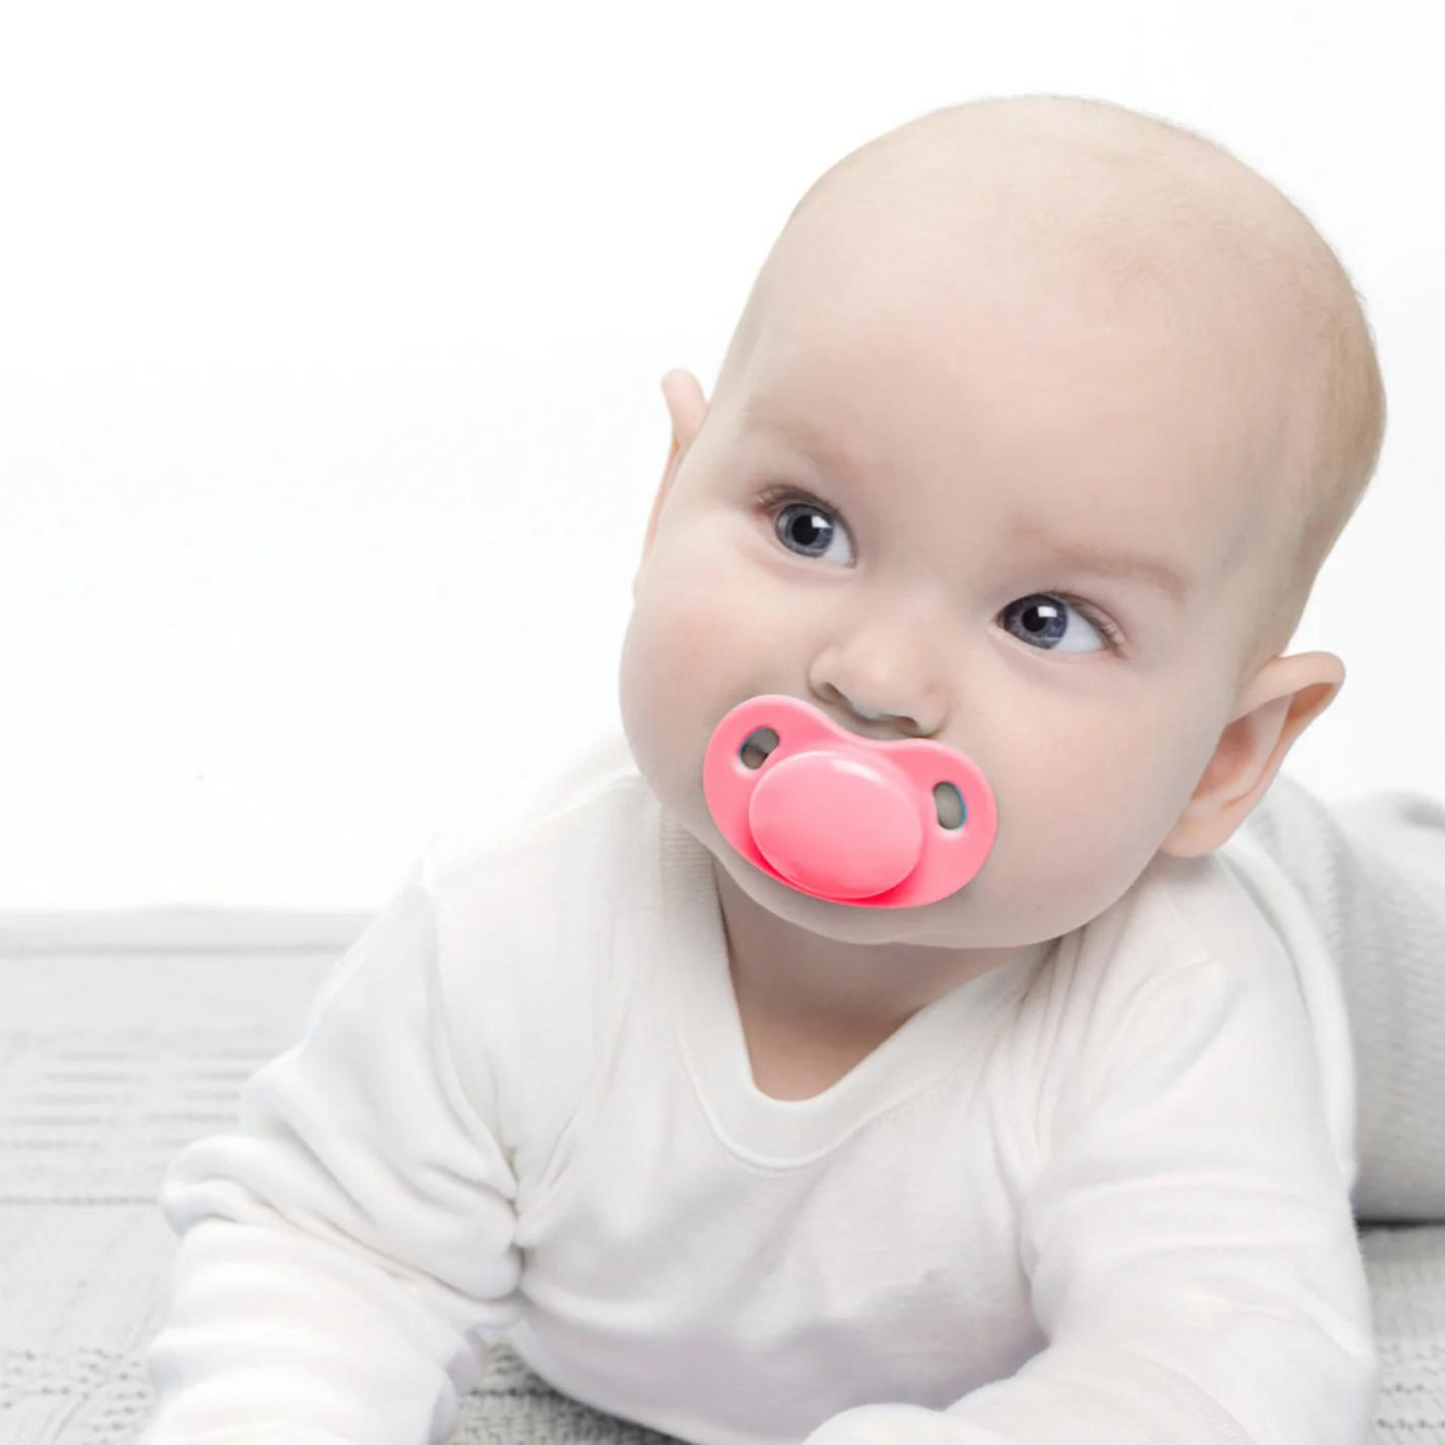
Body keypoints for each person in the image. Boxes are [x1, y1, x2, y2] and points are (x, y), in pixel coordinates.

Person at [139, 94, 1443, 1445]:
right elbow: (336, 1247)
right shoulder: (511, 921)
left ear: (1224, 757)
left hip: (1356, 948)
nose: (875, 676)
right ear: (669, 499)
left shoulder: (1180, 996)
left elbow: (1223, 1375)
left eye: (1044, 618)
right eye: (810, 526)